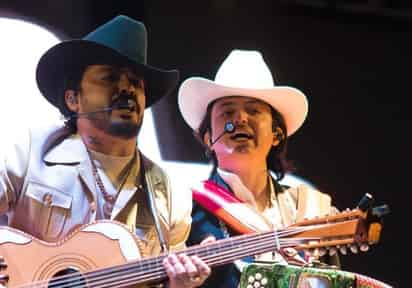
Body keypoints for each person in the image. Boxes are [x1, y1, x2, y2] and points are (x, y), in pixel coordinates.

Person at [0, 15, 210, 288]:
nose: (126, 89)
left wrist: (180, 284)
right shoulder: (31, 152)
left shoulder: (169, 194)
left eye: (136, 82)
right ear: (73, 99)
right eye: (110, 78)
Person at [178, 49, 339, 287]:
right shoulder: (185, 211)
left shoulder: (311, 210)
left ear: (277, 134)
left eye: (254, 110)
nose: (241, 119)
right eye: (228, 112)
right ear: (208, 137)